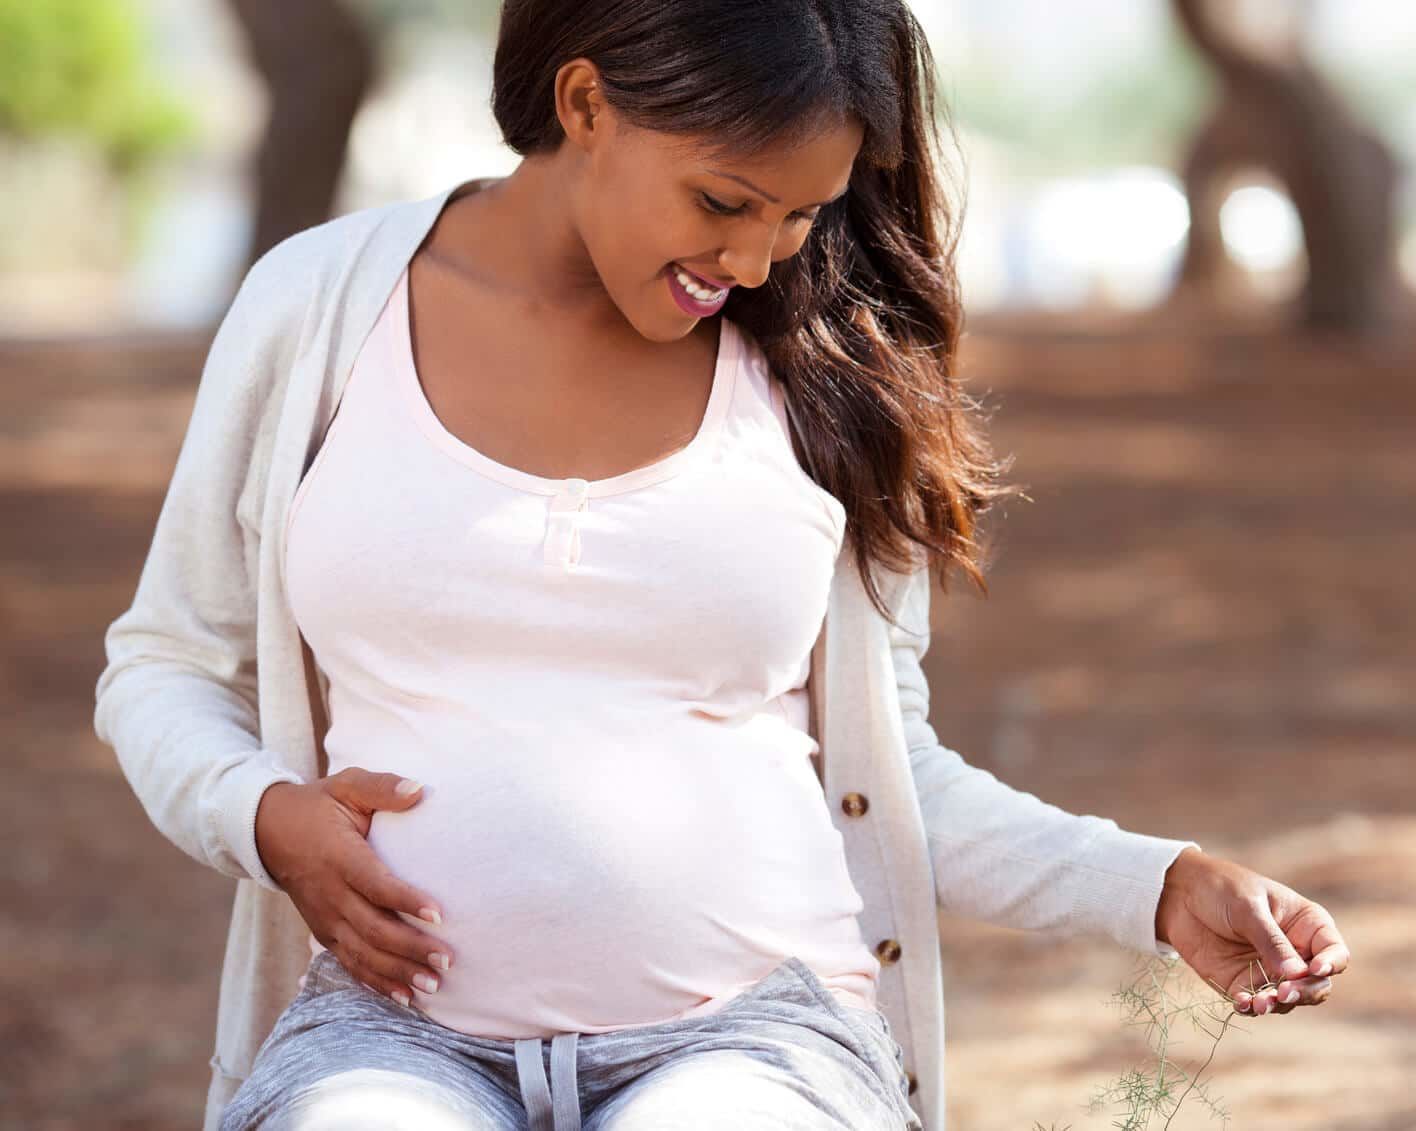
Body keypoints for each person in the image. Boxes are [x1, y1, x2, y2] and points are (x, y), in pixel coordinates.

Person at [93, 2, 1350, 1129]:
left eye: (799, 215)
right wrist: (264, 818)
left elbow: (889, 770)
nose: (754, 262)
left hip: (752, 1041)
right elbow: (164, 665)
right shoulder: (317, 309)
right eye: (724, 202)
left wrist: (1153, 885)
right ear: (586, 104)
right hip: (389, 1040)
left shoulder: (822, 366)